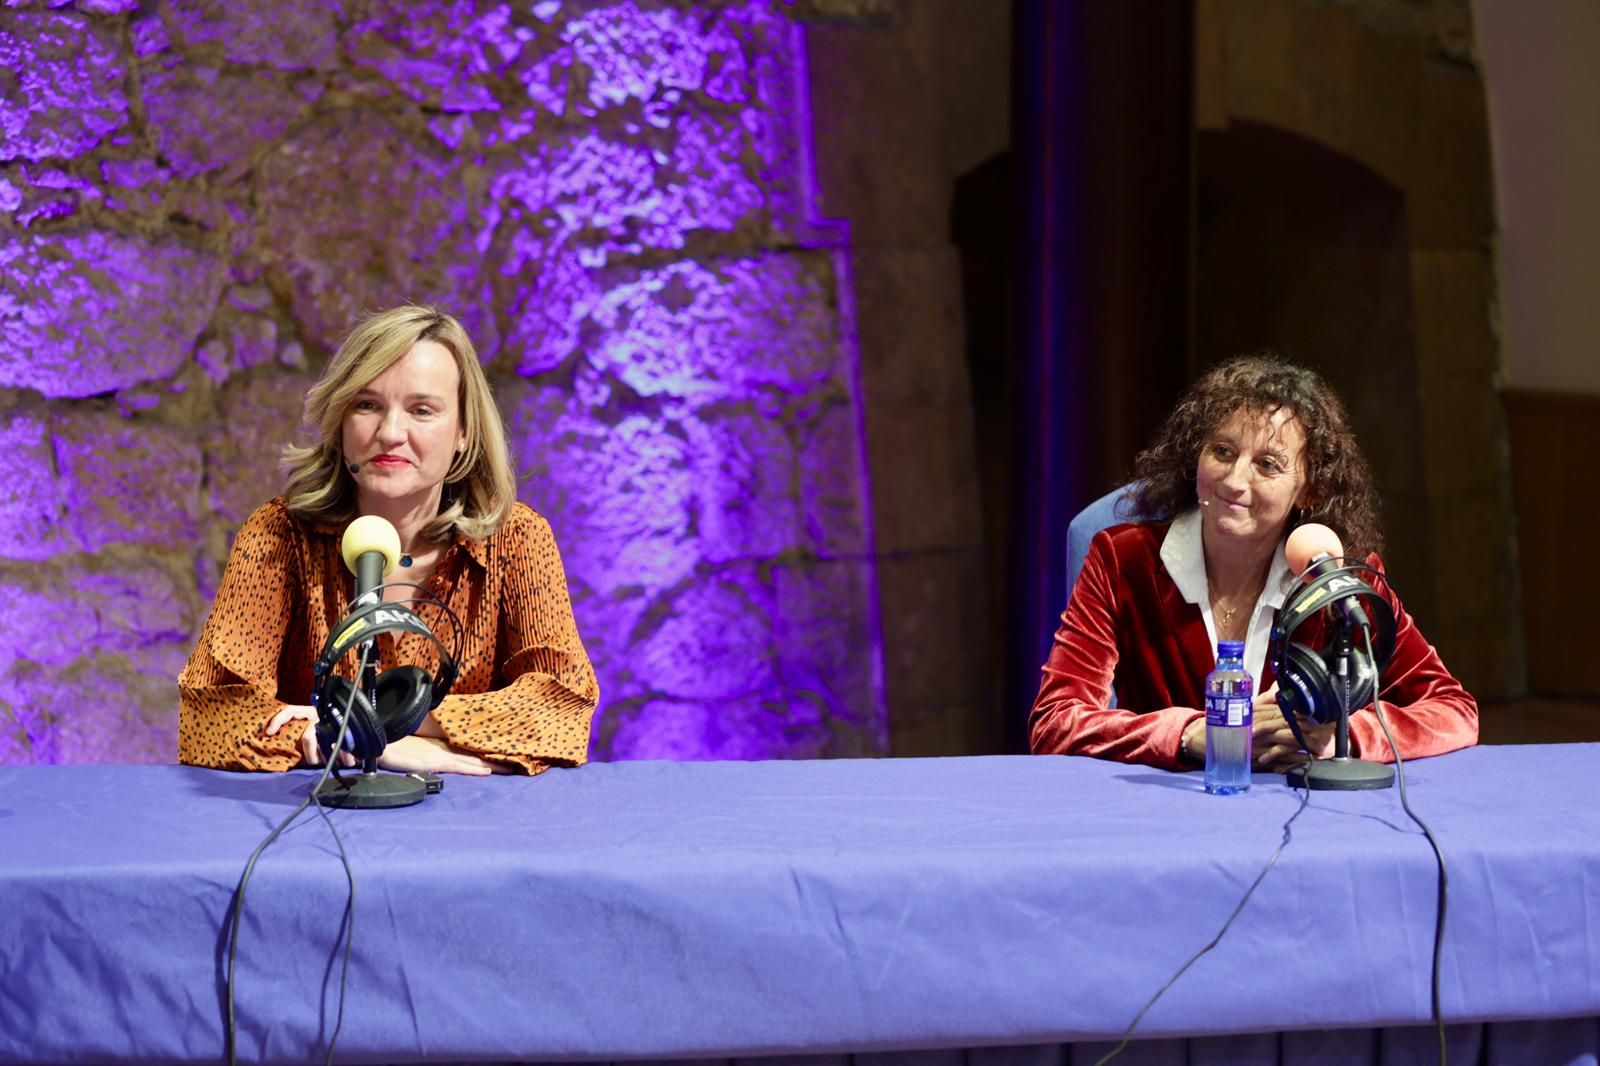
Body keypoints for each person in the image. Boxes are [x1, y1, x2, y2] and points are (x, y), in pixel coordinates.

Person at [179, 305, 598, 776]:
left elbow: (563, 705)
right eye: (367, 405)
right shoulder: (279, 536)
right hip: (317, 826)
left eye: (422, 410)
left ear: (463, 431)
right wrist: (320, 736)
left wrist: (399, 728)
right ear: (340, 421)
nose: (390, 433)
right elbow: (208, 714)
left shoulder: (518, 539)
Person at [1029, 354, 1477, 773]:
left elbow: (1454, 710)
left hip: (1303, 823)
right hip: (1168, 817)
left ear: (1310, 491)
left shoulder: (1338, 578)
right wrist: (1186, 734)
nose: (1234, 480)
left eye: (1267, 464)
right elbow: (1055, 721)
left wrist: (1341, 738)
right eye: (1222, 451)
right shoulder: (1122, 560)